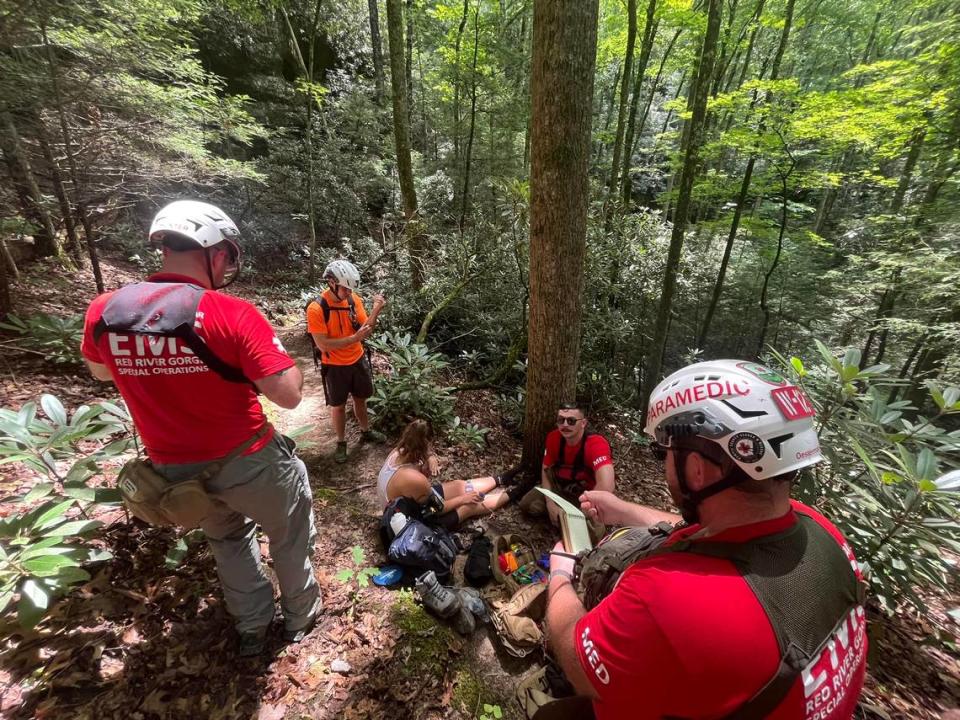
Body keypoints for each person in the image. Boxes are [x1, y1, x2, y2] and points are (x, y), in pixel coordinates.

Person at [546, 360, 867, 719]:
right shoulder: (821, 530)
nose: (665, 464)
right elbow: (707, 533)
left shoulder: (665, 596)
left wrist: (559, 576)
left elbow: (577, 661)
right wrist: (621, 509)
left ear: (697, 469)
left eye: (665, 453)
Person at [80, 200, 320, 657]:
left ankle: (252, 627)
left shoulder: (105, 311)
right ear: (212, 251)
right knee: (288, 536)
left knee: (228, 540)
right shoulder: (231, 313)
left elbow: (101, 373)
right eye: (228, 255)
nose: (228, 264)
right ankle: (300, 617)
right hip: (250, 460)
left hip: (176, 470)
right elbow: (288, 394)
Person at [377, 419, 526, 529]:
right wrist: (464, 499)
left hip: (410, 504)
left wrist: (429, 457)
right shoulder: (416, 479)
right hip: (409, 524)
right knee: (469, 505)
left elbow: (416, 480)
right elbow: (438, 508)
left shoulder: (398, 452)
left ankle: (502, 478)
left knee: (459, 486)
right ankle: (516, 492)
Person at [307, 259, 386, 463]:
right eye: (345, 288)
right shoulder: (316, 308)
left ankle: (366, 430)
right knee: (339, 406)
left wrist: (376, 309)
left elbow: (365, 329)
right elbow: (323, 344)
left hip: (357, 360)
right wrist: (354, 339)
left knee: (361, 399)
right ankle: (341, 443)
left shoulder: (353, 300)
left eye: (351, 288)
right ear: (332, 283)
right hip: (334, 366)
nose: (349, 292)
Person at [518, 402, 615, 538]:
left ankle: (570, 519)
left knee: (594, 534)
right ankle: (561, 517)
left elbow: (607, 485)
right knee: (527, 504)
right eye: (560, 420)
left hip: (586, 496)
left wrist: (582, 512)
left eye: (571, 421)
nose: (565, 425)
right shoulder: (553, 438)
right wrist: (550, 503)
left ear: (583, 423)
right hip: (559, 490)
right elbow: (545, 471)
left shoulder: (596, 444)